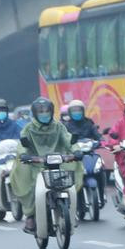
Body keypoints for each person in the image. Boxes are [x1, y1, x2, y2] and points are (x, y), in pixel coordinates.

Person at [10, 97, 83, 234]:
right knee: (30, 187)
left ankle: (72, 210)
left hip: (58, 163)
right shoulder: (28, 128)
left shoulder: (58, 126)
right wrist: (25, 155)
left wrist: (76, 150)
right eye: (40, 111)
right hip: (35, 165)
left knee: (70, 182)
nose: (44, 114)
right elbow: (22, 145)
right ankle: (30, 216)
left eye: (47, 111)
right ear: (35, 113)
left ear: (52, 112)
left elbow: (68, 139)